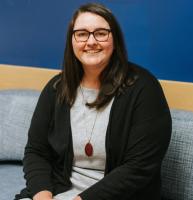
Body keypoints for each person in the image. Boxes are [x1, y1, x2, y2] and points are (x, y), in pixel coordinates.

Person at [15, 2, 171, 200]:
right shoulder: (56, 88)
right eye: (81, 34)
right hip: (58, 191)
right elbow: (36, 151)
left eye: (101, 33)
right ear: (72, 41)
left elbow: (139, 167)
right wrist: (42, 196)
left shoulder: (144, 89)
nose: (91, 41)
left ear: (115, 39)